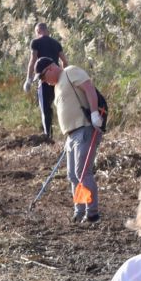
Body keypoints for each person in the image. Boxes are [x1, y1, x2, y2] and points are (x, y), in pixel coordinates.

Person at [39, 56, 102, 224]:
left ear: (51, 68)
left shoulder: (70, 72)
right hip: (71, 135)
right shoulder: (57, 85)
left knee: (83, 173)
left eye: (44, 77)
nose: (45, 82)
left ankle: (92, 213)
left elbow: (89, 88)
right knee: (73, 176)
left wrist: (95, 112)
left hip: (85, 128)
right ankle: (79, 211)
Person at [23, 22, 65, 141]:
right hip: (57, 79)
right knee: (60, 106)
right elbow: (65, 61)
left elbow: (32, 61)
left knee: (45, 109)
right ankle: (64, 134)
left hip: (44, 78)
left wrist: (29, 79)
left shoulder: (36, 42)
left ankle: (48, 137)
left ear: (38, 31)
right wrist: (63, 75)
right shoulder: (56, 43)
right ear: (47, 31)